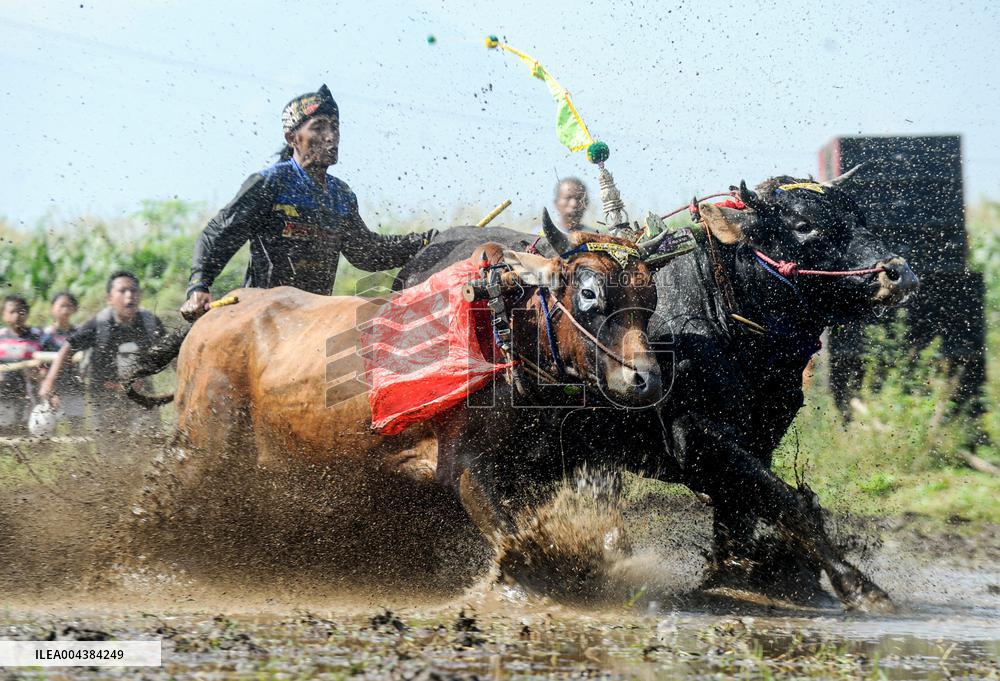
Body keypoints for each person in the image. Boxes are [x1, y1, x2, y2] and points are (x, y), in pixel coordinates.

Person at [180, 84, 435, 321]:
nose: (331, 136)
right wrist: (199, 286)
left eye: (335, 127)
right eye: (319, 127)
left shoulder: (341, 195)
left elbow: (366, 252)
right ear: (292, 137)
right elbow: (218, 234)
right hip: (263, 317)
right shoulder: (271, 183)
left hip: (314, 319)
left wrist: (425, 242)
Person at [39, 272, 165, 436]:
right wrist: (49, 382)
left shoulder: (150, 322)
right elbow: (67, 348)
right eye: (123, 291)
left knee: (152, 440)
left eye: (134, 290)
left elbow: (172, 353)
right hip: (105, 398)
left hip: (142, 395)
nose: (129, 295)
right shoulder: (100, 324)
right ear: (109, 298)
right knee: (109, 445)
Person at [39, 292, 85, 426]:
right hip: (54, 389)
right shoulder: (46, 335)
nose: (65, 310)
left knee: (77, 426)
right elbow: (42, 367)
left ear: (74, 309)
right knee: (47, 428)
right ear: (52, 308)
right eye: (61, 306)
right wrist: (52, 393)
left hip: (75, 388)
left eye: (68, 306)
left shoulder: (79, 332)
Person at [0, 295, 43, 433]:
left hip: (30, 393)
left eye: (21, 311)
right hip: (3, 393)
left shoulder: (38, 335)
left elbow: (47, 363)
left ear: (27, 313)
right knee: (5, 431)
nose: (17, 315)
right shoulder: (0, 336)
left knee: (29, 430)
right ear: (3, 314)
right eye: (12, 311)